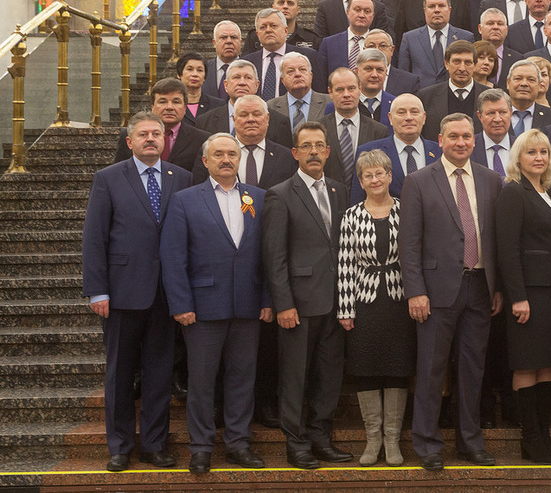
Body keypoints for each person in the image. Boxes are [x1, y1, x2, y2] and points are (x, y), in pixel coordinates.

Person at [82, 111, 191, 472]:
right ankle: (120, 445)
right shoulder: (108, 178)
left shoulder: (182, 178)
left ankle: (155, 445)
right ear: (129, 142)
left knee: (160, 372)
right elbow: (94, 237)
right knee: (120, 373)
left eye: (156, 134)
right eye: (143, 134)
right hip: (122, 293)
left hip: (166, 295)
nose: (150, 139)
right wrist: (97, 291)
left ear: (165, 140)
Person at [159, 133, 270, 474]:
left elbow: (269, 254)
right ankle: (201, 447)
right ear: (206, 161)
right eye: (218, 154)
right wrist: (181, 303)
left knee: (242, 378)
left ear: (240, 159)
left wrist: (267, 299)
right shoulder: (185, 200)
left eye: (232, 154)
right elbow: (173, 256)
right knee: (202, 381)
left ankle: (238, 443)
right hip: (203, 307)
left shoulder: (259, 197)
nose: (226, 159)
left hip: (248, 305)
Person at [400, 113, 504, 470]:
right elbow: (409, 243)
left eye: (466, 136)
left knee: (473, 370)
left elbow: (495, 237)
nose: (461, 142)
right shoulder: (418, 181)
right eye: (453, 136)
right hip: (435, 291)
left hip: (480, 287)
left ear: (474, 140)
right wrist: (415, 291)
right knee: (431, 369)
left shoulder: (491, 179)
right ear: (440, 140)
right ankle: (428, 445)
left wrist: (497, 287)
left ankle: (470, 442)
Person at [261, 121, 353, 470]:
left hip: (337, 302)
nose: (313, 152)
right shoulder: (280, 194)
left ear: (328, 152)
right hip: (298, 304)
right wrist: (283, 303)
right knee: (295, 376)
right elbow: (274, 256)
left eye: (319, 146)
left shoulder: (340, 190)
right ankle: (296, 443)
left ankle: (320, 438)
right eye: (306, 146)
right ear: (295, 153)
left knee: (329, 377)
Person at [494, 129, 551, 463]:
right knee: (527, 363)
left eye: (544, 152)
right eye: (531, 152)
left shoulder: (549, 192)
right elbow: (507, 250)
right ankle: (530, 439)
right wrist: (517, 296)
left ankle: (544, 436)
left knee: (547, 365)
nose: (539, 157)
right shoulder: (513, 192)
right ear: (518, 158)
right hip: (528, 294)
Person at [338, 149, 414, 467]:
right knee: (366, 367)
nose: (374, 179)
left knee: (397, 367)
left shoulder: (406, 210)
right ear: (361, 181)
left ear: (389, 175)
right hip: (364, 301)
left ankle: (392, 441)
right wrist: (345, 309)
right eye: (368, 175)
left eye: (379, 173)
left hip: (400, 301)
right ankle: (373, 440)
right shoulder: (351, 215)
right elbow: (345, 264)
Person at [350, 93, 442, 202]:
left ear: (424, 117)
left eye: (414, 112)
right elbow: (358, 199)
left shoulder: (440, 152)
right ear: (390, 118)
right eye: (401, 112)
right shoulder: (369, 151)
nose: (408, 118)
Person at [192, 94, 297, 188]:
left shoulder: (286, 158)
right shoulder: (211, 154)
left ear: (267, 118)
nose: (250, 119)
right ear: (234, 119)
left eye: (256, 114)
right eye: (244, 115)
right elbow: (199, 190)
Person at [195, 60, 295, 150]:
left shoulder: (279, 121)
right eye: (236, 77)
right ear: (226, 85)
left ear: (257, 85)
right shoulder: (205, 122)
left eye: (248, 78)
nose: (242, 83)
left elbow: (284, 158)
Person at [113, 78, 204, 172]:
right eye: (163, 102)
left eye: (176, 102)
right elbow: (120, 172)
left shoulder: (200, 139)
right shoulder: (130, 134)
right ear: (152, 106)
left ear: (185, 107)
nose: (169, 107)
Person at [322, 67, 390, 192]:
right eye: (340, 90)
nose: (346, 94)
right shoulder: (319, 129)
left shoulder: (379, 131)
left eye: (351, 88)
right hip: (329, 197)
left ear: (360, 89)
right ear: (330, 92)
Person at [397, 0, 475, 88]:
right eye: (432, 6)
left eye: (441, 6)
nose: (437, 10)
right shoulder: (409, 38)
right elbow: (404, 75)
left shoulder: (466, 37)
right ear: (425, 11)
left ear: (449, 10)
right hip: (420, 95)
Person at [243, 9, 320, 100]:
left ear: (285, 30)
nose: (268, 30)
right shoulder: (247, 62)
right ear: (257, 34)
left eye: (273, 26)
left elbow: (319, 92)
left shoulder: (307, 56)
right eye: (263, 27)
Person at [416, 40, 488, 138]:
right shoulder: (426, 97)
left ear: (475, 65)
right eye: (456, 62)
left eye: (467, 62)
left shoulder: (488, 96)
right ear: (446, 64)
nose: (462, 68)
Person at [316, 0, 378, 83]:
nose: (362, 15)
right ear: (348, 13)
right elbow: (321, 78)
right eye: (357, 10)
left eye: (367, 11)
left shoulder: (381, 44)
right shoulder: (329, 44)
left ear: (373, 16)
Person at [266, 52, 326, 138]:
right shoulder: (271, 107)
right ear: (282, 80)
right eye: (291, 71)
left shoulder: (329, 103)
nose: (297, 74)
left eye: (302, 69)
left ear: (311, 76)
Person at [244, 0, 319, 53]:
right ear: (273, 7)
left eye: (290, 3)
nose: (285, 6)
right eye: (281, 3)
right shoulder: (255, 37)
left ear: (298, 9)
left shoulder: (310, 38)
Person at [505, 60, 551, 134]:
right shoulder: (494, 114)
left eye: (531, 79)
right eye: (518, 78)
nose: (524, 83)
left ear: (539, 85)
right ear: (508, 83)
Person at [364, 29, 420, 95]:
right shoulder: (356, 78)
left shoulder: (409, 81)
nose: (377, 50)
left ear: (392, 50)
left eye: (383, 46)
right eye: (371, 46)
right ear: (364, 50)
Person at [472, 89, 514, 173]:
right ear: (480, 116)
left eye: (502, 112)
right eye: (491, 113)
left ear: (511, 113)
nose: (497, 119)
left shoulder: (522, 147)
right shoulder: (469, 148)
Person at [476, 8, 520, 88]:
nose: (495, 27)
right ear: (480, 29)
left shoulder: (518, 59)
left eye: (500, 24)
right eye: (490, 23)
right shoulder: (470, 54)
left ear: (506, 30)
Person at [202, 20, 242, 100]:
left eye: (233, 37)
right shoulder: (203, 70)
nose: (229, 41)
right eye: (223, 38)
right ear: (214, 43)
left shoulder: (251, 69)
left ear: (240, 42)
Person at [176, 52, 215, 124]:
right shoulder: (172, 105)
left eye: (199, 70)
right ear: (179, 74)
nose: (195, 74)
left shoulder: (217, 105)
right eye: (189, 69)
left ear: (205, 76)